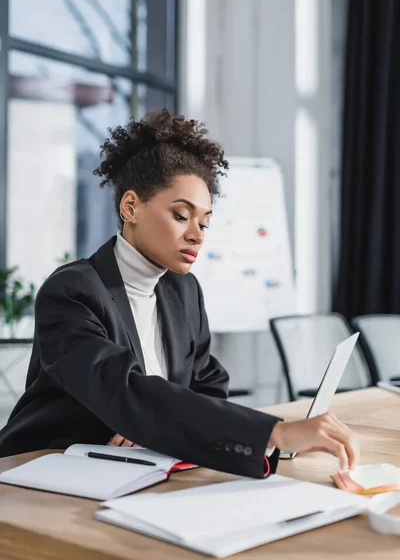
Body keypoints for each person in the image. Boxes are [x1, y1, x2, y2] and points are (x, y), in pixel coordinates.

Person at [0, 110, 358, 476]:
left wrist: (153, 425)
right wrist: (275, 432)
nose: (197, 234)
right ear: (131, 207)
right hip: (40, 472)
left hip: (140, 470)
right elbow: (121, 389)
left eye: (204, 222)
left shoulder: (182, 289)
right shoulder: (72, 291)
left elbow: (208, 386)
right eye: (181, 215)